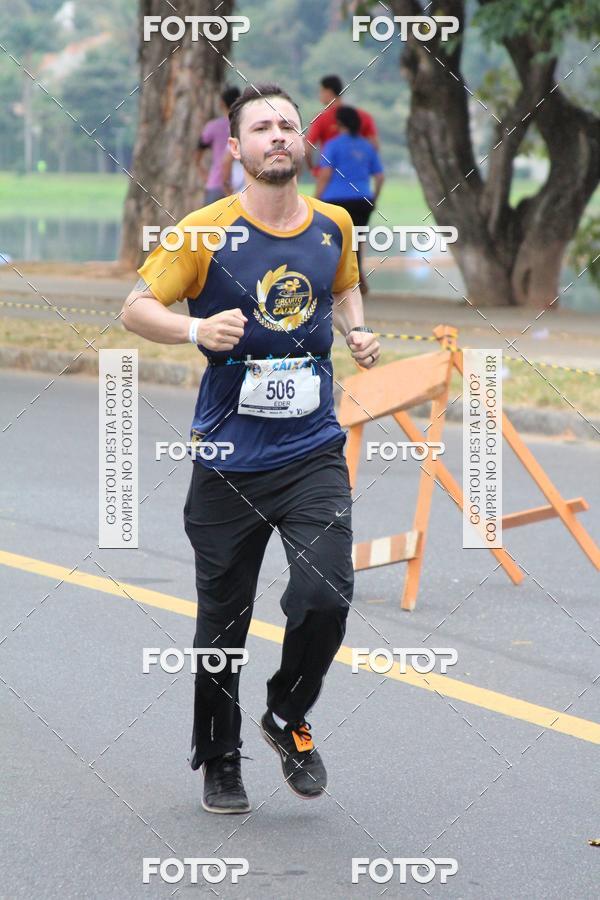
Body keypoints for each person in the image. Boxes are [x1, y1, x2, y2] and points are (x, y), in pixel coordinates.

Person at [121, 82, 380, 815]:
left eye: (288, 126)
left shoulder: (333, 223)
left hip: (312, 453)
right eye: (261, 127)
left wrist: (356, 330)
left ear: (303, 143)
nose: (277, 136)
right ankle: (219, 758)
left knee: (324, 594)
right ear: (234, 147)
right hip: (229, 464)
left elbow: (345, 284)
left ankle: (285, 716)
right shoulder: (202, 231)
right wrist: (194, 330)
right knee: (221, 626)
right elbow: (135, 307)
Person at [316, 106, 385, 294]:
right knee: (357, 240)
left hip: (336, 200)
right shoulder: (367, 146)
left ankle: (336, 283)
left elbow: (325, 174)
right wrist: (374, 199)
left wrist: (317, 198)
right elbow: (379, 177)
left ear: (339, 123)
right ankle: (359, 280)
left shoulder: (333, 145)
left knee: (334, 241)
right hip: (362, 199)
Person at [304, 74, 378, 175]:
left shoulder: (321, 118)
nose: (319, 95)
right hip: (356, 174)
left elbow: (307, 149)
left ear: (328, 92)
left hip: (329, 176)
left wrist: (313, 169)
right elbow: (374, 146)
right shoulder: (364, 116)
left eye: (321, 91)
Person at [196, 85, 241, 204]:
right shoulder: (244, 126)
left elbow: (198, 154)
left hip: (216, 183)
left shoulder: (213, 127)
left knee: (211, 221)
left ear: (222, 103)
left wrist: (204, 174)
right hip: (239, 185)